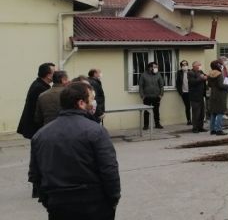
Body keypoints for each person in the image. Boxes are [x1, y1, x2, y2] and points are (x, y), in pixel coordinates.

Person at [29, 81, 120, 219]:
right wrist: (114, 198)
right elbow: (109, 169)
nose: (94, 102)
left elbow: (35, 175)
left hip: (58, 204)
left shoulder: (40, 135)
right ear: (81, 103)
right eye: (91, 99)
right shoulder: (96, 131)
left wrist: (48, 201)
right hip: (94, 204)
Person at [18, 63, 55, 140]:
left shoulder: (39, 84)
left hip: (35, 127)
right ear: (48, 75)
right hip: (35, 128)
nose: (57, 74)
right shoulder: (40, 88)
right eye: (54, 72)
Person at [138, 62, 164, 130]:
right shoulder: (143, 75)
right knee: (146, 112)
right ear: (150, 68)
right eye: (154, 67)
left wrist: (161, 95)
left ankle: (157, 124)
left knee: (156, 111)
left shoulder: (158, 74)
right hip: (147, 97)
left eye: (156, 67)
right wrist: (142, 96)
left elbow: (161, 85)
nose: (156, 68)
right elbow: (141, 86)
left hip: (156, 97)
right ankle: (146, 125)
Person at [207, 60, 228, 136]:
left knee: (213, 112)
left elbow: (209, 85)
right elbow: (221, 85)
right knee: (220, 112)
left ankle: (212, 130)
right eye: (220, 64)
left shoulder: (210, 73)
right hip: (220, 95)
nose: (221, 65)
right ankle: (219, 130)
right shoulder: (219, 74)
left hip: (213, 94)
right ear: (217, 65)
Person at [187, 61, 208, 133]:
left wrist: (205, 77)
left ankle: (200, 127)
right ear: (194, 66)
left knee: (202, 113)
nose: (200, 66)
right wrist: (202, 78)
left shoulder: (201, 71)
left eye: (200, 65)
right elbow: (192, 82)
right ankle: (195, 128)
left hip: (201, 95)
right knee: (196, 113)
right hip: (195, 96)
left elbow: (205, 76)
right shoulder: (190, 73)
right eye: (199, 65)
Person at [176, 60, 192, 125]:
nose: (185, 66)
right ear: (181, 66)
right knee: (187, 106)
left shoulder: (191, 72)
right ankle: (189, 120)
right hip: (184, 92)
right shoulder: (179, 73)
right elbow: (177, 83)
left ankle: (195, 120)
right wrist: (180, 92)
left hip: (192, 92)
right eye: (183, 65)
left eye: (186, 64)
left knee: (193, 106)